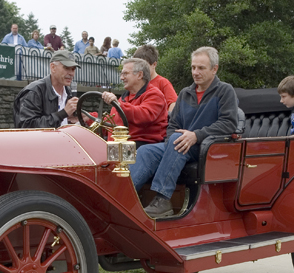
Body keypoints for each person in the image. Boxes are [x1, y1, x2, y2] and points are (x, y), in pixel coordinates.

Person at [130, 46, 238, 218]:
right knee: (145, 151)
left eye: (201, 68)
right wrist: (172, 140)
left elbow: (228, 124)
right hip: (179, 144)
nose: (195, 72)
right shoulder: (185, 93)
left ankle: (163, 199)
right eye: (193, 67)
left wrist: (196, 136)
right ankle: (125, 197)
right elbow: (172, 124)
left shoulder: (225, 91)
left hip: (207, 147)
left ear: (214, 69)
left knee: (177, 141)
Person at [97, 58, 168, 148]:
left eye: (125, 73)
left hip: (141, 146)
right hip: (118, 147)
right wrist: (88, 118)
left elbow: (143, 115)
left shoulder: (154, 95)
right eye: (121, 74)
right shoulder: (124, 98)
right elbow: (111, 120)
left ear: (139, 75)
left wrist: (119, 105)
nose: (121, 78)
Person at [13, 50, 81, 128]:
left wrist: (76, 119)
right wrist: (63, 113)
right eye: (66, 68)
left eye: (73, 69)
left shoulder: (68, 91)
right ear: (53, 67)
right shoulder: (35, 91)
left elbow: (62, 123)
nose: (71, 73)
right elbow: (27, 126)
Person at [133, 45, 177, 112]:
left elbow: (173, 104)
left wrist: (167, 120)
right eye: (137, 65)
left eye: (144, 65)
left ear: (154, 64)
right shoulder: (138, 83)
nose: (140, 69)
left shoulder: (163, 82)